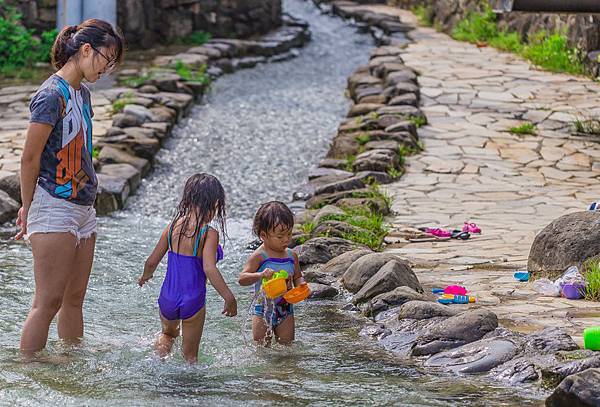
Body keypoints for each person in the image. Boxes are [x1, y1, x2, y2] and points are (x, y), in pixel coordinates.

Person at [15, 19, 124, 355]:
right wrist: (27, 207)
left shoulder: (82, 93)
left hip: (82, 208)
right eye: (106, 60)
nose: (107, 69)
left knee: (74, 300)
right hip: (53, 206)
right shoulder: (50, 95)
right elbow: (29, 159)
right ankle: (28, 374)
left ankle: (71, 369)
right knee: (47, 302)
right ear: (86, 49)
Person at [138, 173, 237, 363]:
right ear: (215, 204)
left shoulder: (172, 226)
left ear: (188, 199)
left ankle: (156, 364)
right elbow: (209, 268)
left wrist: (145, 277)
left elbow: (151, 261)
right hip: (193, 299)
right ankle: (187, 390)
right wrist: (228, 296)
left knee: (167, 335)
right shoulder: (208, 233)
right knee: (190, 356)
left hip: (168, 296)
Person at [239, 201, 305, 345]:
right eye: (280, 237)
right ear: (263, 235)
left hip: (286, 309)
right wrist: (260, 275)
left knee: (287, 347)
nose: (286, 239)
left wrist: (302, 286)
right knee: (261, 348)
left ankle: (285, 369)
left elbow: (297, 276)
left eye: (289, 234)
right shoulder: (260, 256)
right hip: (262, 310)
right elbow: (242, 279)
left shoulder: (291, 256)